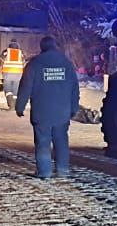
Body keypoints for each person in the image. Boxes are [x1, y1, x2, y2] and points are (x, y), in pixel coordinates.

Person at [15, 35, 80, 179]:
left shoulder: (34, 64)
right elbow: (75, 88)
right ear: (55, 46)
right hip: (62, 112)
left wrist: (20, 106)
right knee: (61, 140)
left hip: (41, 112)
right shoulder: (66, 63)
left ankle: (45, 172)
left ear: (42, 47)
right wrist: (74, 108)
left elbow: (25, 87)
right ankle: (62, 170)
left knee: (43, 142)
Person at [0, 39, 25, 111]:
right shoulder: (21, 53)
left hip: (8, 73)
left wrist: (1, 68)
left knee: (8, 89)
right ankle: (16, 105)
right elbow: (23, 62)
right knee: (15, 90)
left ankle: (11, 105)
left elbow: (1, 60)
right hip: (18, 74)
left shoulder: (6, 51)